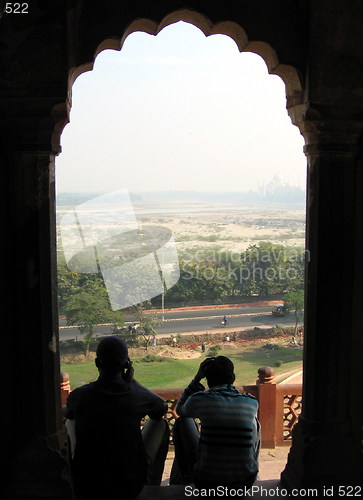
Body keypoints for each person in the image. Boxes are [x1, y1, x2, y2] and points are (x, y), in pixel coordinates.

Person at [65, 336, 170, 500]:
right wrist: (132, 381)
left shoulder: (80, 395)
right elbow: (161, 408)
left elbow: (69, 413)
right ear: (126, 364)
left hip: (88, 484)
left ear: (97, 363)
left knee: (70, 418)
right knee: (161, 423)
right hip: (129, 483)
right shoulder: (136, 395)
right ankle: (152, 483)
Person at [170, 356, 260, 490]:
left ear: (208, 380)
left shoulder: (199, 399)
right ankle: (249, 467)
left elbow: (180, 409)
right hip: (244, 484)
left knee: (183, 421)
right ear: (232, 377)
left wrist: (196, 379)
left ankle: (182, 480)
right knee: (255, 424)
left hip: (206, 483)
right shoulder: (251, 402)